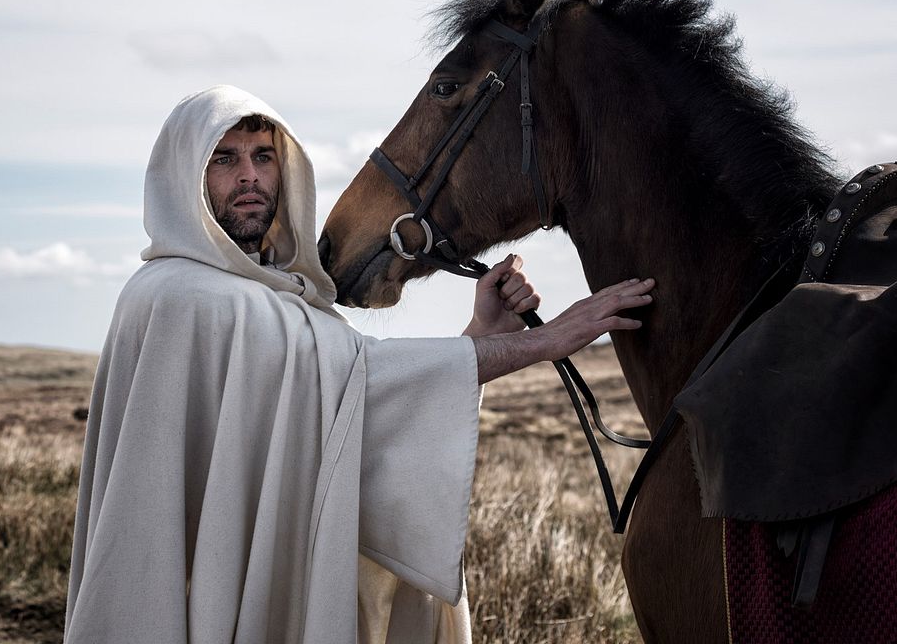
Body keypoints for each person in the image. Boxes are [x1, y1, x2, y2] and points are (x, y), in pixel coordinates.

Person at [63, 85, 654, 644]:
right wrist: (545, 342)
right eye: (224, 159)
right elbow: (363, 380)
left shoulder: (283, 299)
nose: (249, 176)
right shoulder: (181, 297)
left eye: (263, 157)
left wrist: (482, 334)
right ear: (185, 177)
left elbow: (351, 417)